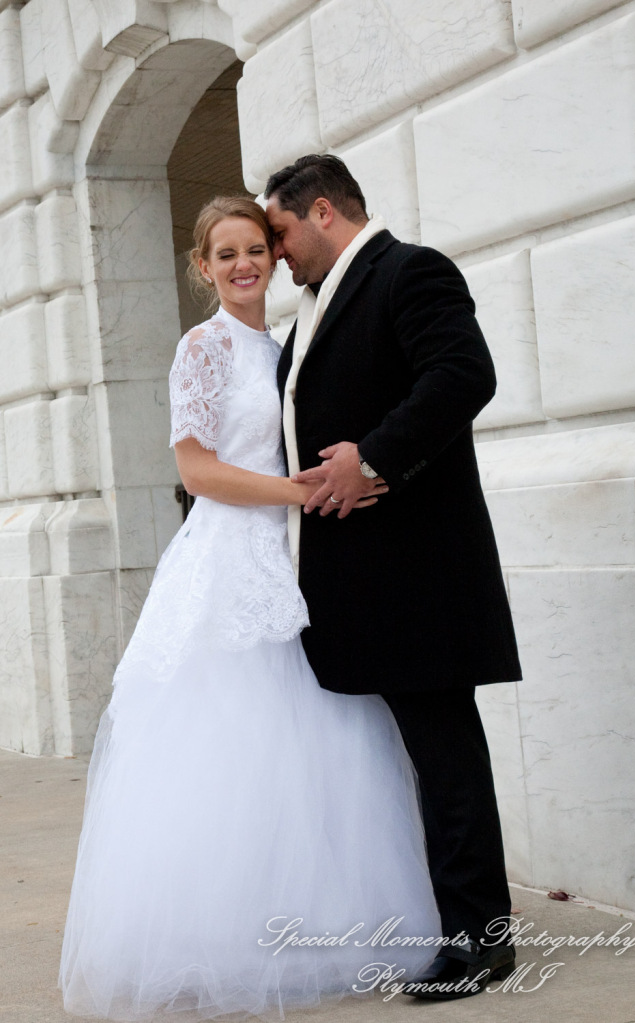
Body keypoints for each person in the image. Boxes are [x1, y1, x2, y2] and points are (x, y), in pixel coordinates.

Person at [57, 196, 441, 1021]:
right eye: (224, 253)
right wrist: (296, 492)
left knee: (315, 742)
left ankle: (321, 924)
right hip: (229, 560)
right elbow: (197, 470)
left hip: (294, 561)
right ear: (202, 268)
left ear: (274, 255)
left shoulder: (288, 348)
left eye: (254, 249)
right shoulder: (202, 349)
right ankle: (220, 937)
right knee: (229, 743)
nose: (243, 264)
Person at [264, 155, 523, 1000]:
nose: (276, 255)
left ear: (325, 211)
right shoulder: (310, 312)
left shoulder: (411, 270)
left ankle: (482, 943)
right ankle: (440, 921)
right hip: (358, 589)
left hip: (421, 578)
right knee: (408, 764)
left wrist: (373, 459)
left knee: (446, 761)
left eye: (281, 233)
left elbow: (463, 376)